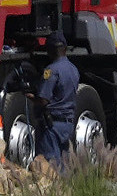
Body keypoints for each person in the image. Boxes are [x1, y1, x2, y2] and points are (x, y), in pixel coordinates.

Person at [27, 31, 79, 165]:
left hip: (51, 126)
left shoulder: (50, 71)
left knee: (50, 166)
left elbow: (44, 100)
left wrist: (30, 96)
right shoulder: (73, 69)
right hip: (67, 124)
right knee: (64, 164)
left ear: (49, 50)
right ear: (65, 49)